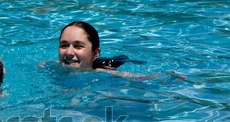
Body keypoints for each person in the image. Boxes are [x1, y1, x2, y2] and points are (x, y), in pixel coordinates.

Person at [56, 21, 185, 81]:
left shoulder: (103, 73)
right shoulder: (52, 66)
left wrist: (166, 75)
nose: (69, 52)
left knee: (118, 60)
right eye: (64, 45)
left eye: (78, 46)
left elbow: (141, 78)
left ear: (95, 53)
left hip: (109, 63)